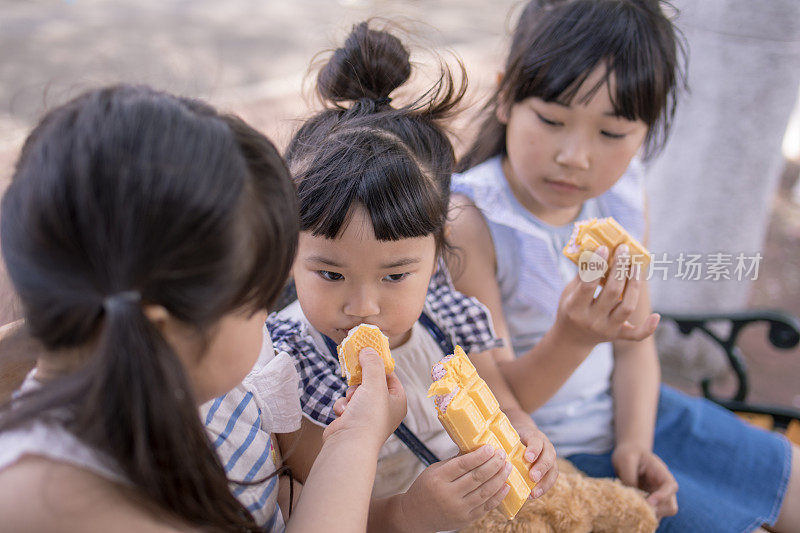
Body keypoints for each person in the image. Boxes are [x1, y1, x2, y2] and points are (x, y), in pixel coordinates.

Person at [448, 0, 800, 531]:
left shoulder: (620, 198)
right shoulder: (473, 220)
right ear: (505, 98)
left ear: (646, 131)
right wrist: (572, 337)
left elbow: (636, 347)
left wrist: (635, 443)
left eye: (611, 134)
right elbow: (498, 402)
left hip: (638, 413)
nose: (576, 156)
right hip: (545, 459)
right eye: (551, 119)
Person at [0, 85, 406, 532]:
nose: (267, 327)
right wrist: (357, 439)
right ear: (161, 333)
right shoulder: (54, 503)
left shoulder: (189, 388)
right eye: (257, 306)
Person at [258, 22, 557, 533]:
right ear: (289, 252)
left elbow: (503, 402)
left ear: (436, 256)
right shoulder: (290, 369)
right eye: (330, 273)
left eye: (396, 275)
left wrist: (525, 436)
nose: (363, 306)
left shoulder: (447, 316)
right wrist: (410, 513)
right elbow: (310, 507)